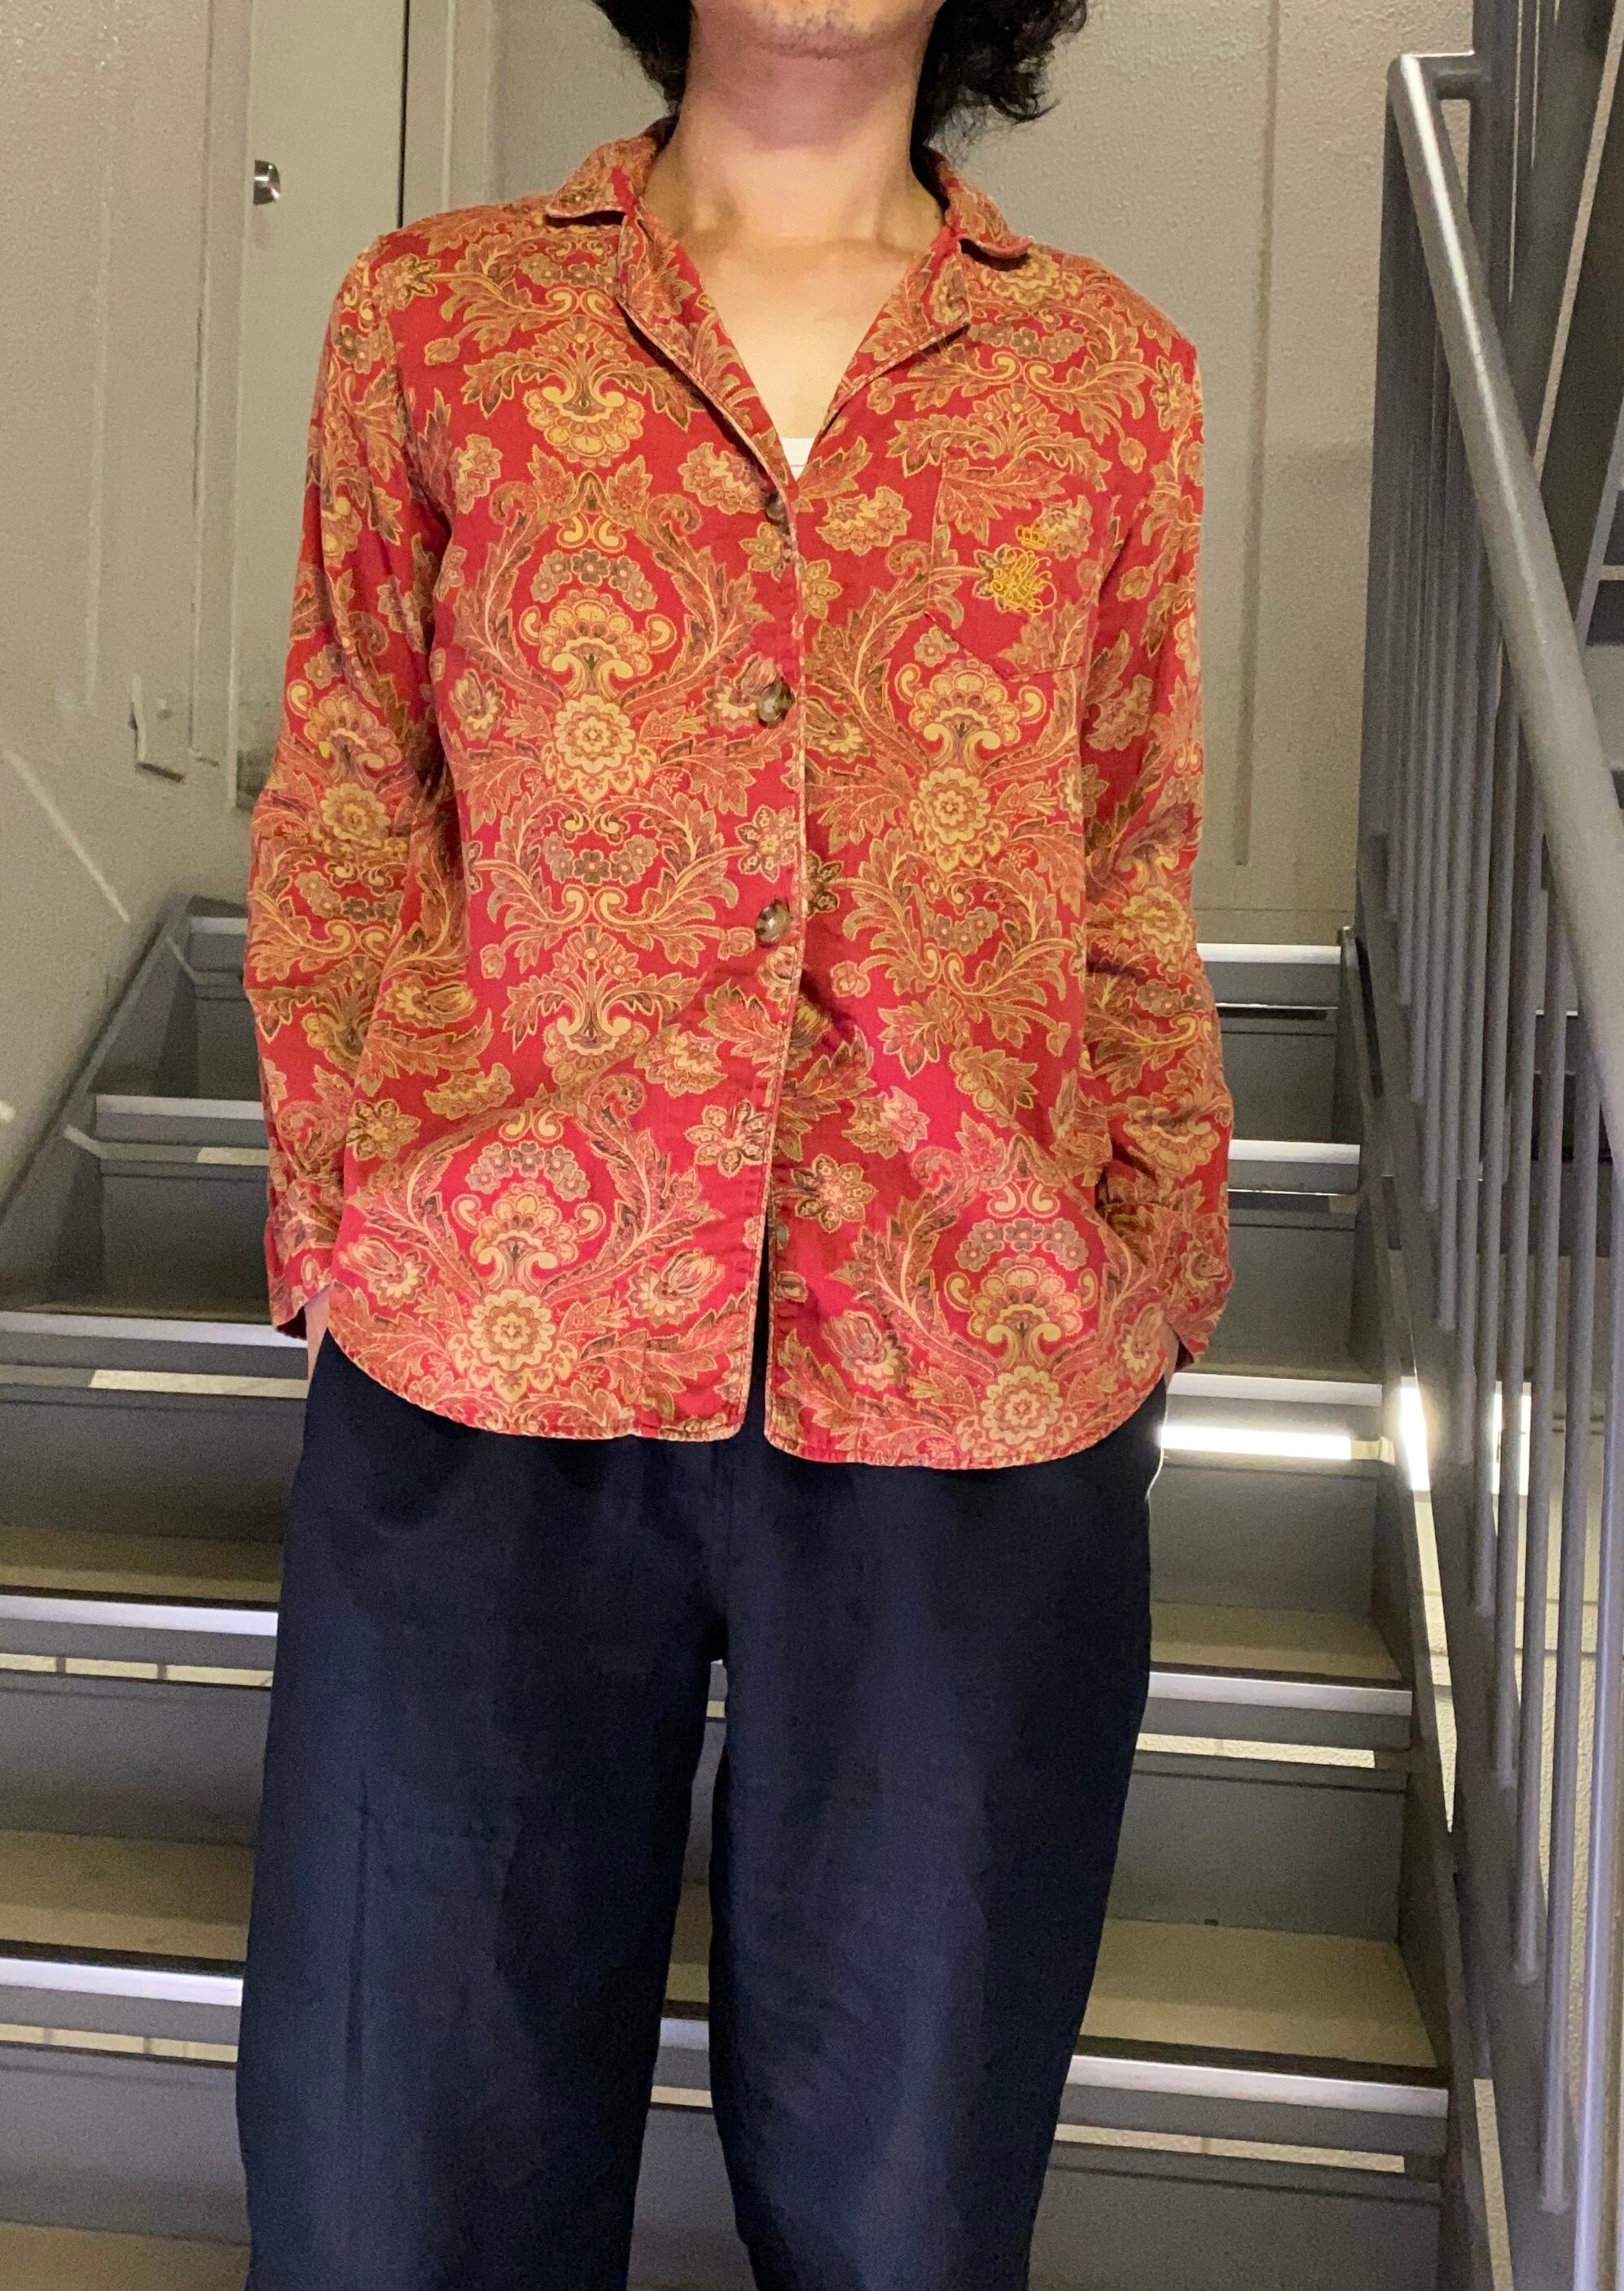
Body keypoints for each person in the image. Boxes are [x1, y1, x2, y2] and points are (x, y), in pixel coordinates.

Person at [234, 0, 1233, 2281]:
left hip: (975, 1365)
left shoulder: (1109, 376)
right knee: (404, 2175)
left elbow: (1126, 849)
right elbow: (353, 782)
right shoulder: (438, 316)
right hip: (487, 1343)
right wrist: (348, 1204)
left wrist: (1156, 1263)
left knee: (911, 2200)